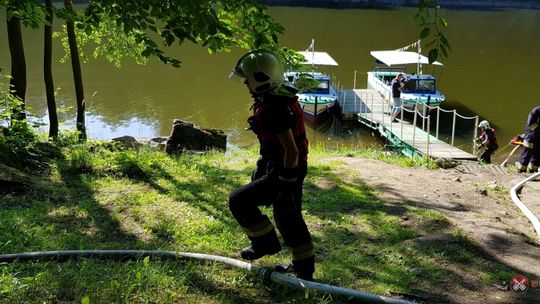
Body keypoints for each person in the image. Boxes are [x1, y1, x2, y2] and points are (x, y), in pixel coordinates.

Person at [228, 49, 315, 281]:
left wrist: (285, 184)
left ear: (262, 78)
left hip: (285, 170)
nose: (245, 82)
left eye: (249, 78)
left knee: (239, 201)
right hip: (288, 167)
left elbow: (291, 150)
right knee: (289, 218)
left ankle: (264, 244)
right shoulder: (280, 97)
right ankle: (304, 270)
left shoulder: (274, 109)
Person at [517, 106, 540, 173]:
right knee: (527, 152)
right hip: (531, 135)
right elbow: (531, 125)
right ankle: (521, 169)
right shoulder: (535, 111)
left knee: (538, 153)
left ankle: (533, 169)